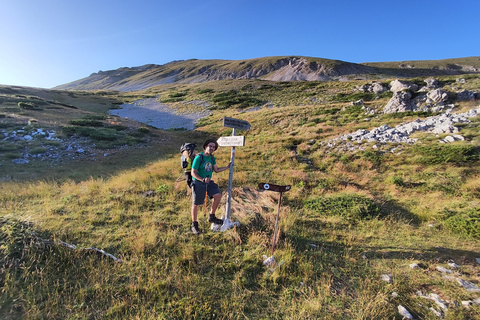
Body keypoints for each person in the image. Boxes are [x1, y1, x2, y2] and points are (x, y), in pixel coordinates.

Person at [190, 139, 231, 235]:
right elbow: (193, 172)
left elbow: (216, 170)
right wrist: (202, 179)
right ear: (205, 147)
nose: (212, 148)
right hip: (198, 183)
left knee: (218, 196)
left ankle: (211, 216)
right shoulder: (198, 158)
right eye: (210, 146)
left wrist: (227, 167)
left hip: (208, 182)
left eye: (213, 147)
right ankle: (194, 224)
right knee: (196, 204)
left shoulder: (212, 158)